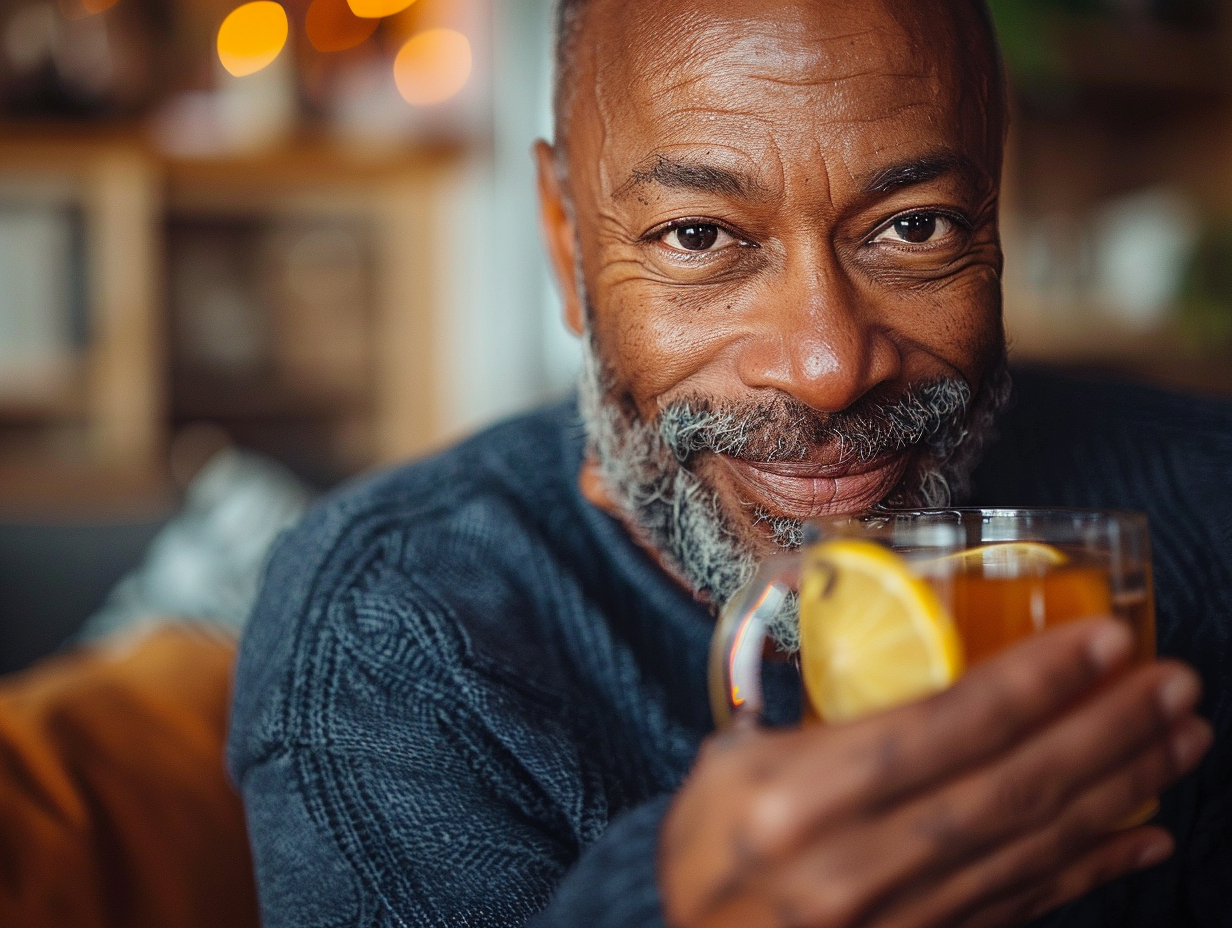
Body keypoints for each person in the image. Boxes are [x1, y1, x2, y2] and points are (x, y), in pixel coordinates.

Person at [227, 1, 1230, 925]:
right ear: (562, 237)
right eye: (697, 236)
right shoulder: (387, 636)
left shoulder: (1208, 510)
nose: (828, 366)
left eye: (913, 226)